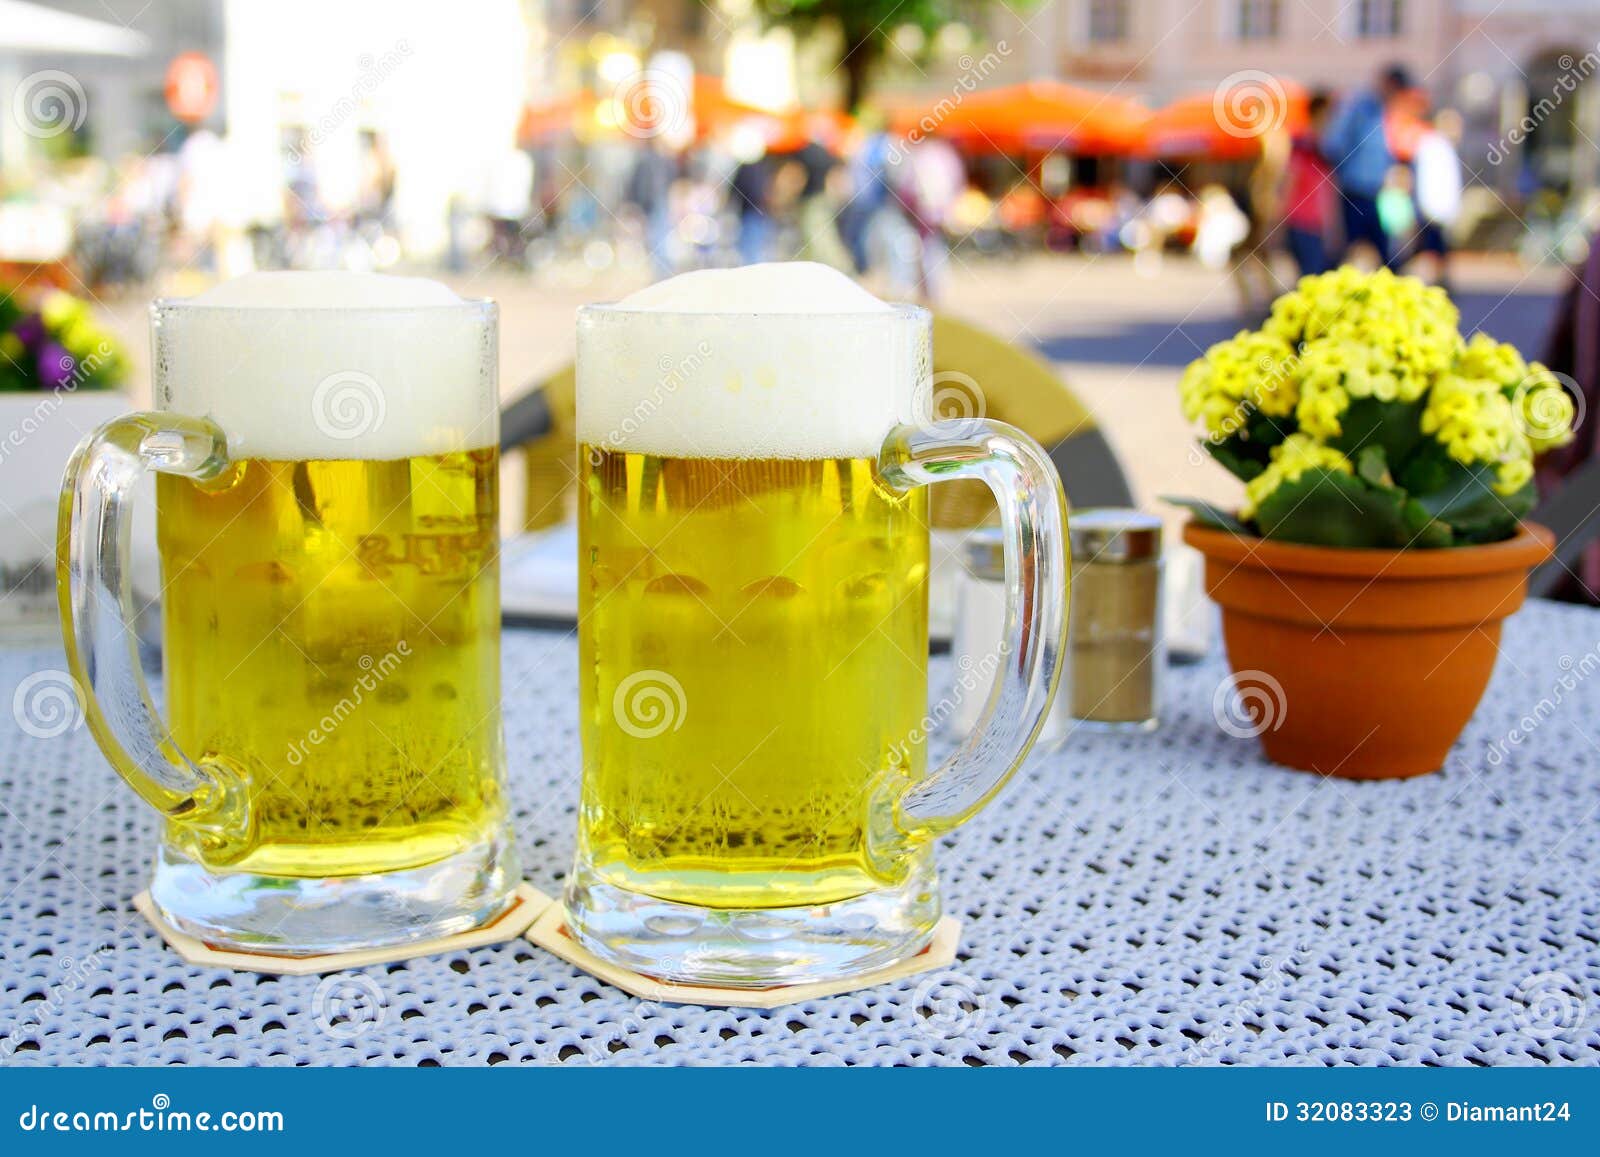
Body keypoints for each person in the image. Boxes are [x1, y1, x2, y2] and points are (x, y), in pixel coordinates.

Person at [1324, 64, 1411, 267]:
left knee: (1386, 254)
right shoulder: (1360, 109)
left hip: (1377, 193)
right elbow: (1334, 145)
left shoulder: (1382, 112)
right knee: (1348, 250)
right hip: (1355, 192)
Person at [1407, 108, 1464, 289]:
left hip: (1439, 212)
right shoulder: (1433, 147)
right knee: (1429, 252)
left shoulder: (1443, 147)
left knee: (1435, 252)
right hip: (1432, 211)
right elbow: (1429, 182)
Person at [1283, 90, 1336, 277]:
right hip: (1302, 221)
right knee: (1310, 276)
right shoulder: (1304, 145)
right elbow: (1290, 180)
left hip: (1318, 223)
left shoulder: (1325, 147)